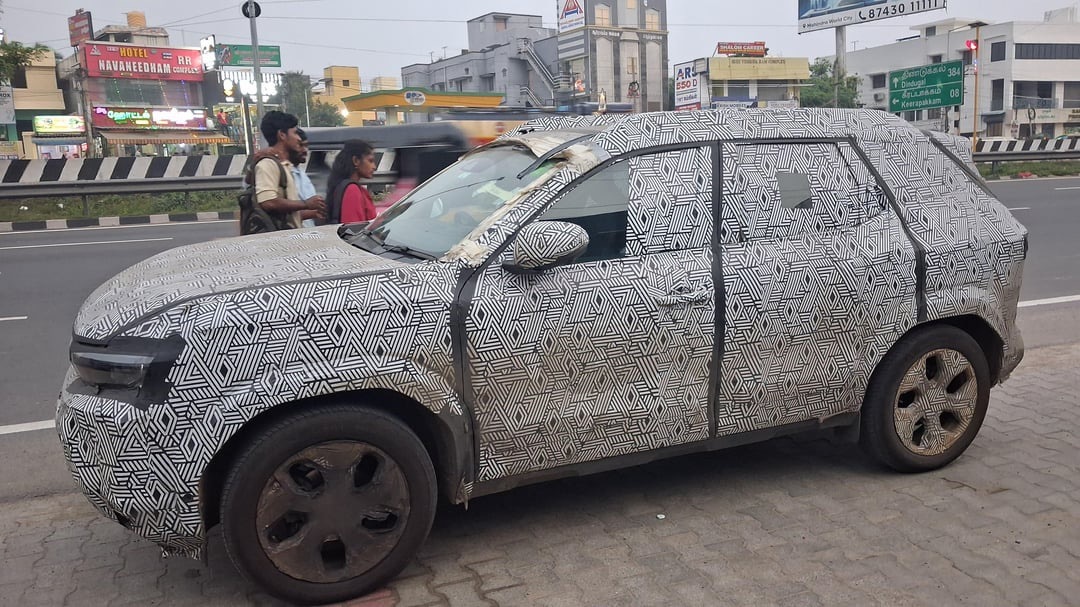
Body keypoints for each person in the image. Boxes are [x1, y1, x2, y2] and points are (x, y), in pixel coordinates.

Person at [251, 111, 325, 229]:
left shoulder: (284, 166)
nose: (298, 138)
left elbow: (291, 212)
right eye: (295, 133)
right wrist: (306, 204)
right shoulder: (268, 164)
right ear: (282, 135)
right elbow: (268, 202)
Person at [325, 139, 377, 224]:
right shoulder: (352, 190)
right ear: (356, 161)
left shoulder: (350, 187)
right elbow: (353, 229)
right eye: (370, 161)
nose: (374, 167)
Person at [290, 128, 323, 228]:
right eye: (300, 145)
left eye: (306, 146)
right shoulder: (282, 173)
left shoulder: (302, 175)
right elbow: (280, 214)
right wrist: (311, 213)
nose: (305, 150)